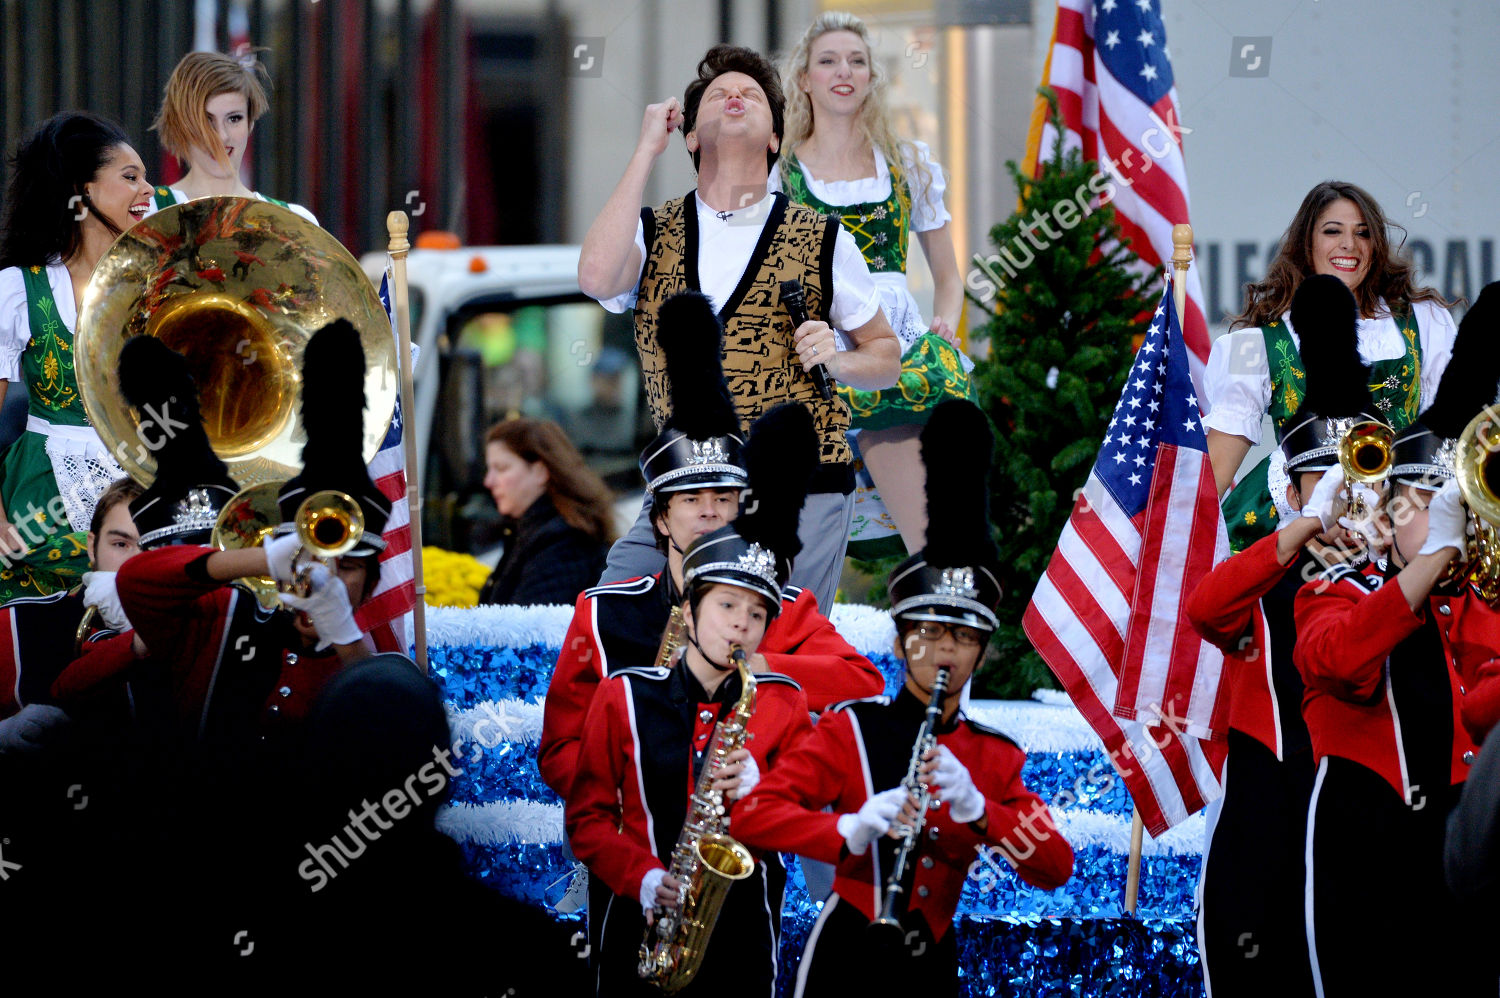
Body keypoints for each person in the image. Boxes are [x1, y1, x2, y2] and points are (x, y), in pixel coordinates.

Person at [732, 400, 1073, 995]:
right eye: (929, 634)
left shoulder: (991, 755)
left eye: (965, 637)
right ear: (899, 641)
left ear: (983, 651)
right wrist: (846, 830)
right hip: (845, 953)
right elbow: (756, 815)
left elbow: (1056, 867)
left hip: (931, 961)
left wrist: (981, 813)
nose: (946, 651)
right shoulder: (851, 730)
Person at [578, 43, 902, 614]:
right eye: (718, 94)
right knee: (617, 613)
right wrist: (645, 150)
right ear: (692, 137)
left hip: (800, 491)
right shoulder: (653, 231)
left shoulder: (823, 238)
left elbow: (887, 356)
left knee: (772, 651)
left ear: (775, 137)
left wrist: (841, 359)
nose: (734, 96)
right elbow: (597, 278)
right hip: (685, 489)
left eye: (750, 94)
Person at [540, 291, 884, 801]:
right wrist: (613, 795)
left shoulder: (781, 607)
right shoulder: (603, 612)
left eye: (723, 498)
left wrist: (759, 666)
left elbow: (862, 682)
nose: (708, 511)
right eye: (690, 499)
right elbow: (560, 744)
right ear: (660, 517)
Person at [565, 402, 820, 996]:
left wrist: (768, 788)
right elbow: (575, 772)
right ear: (659, 518)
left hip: (739, 911)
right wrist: (637, 855)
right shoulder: (610, 634)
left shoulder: (776, 680)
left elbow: (818, 795)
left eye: (756, 613)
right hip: (637, 881)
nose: (741, 624)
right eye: (690, 500)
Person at [1292, 284, 1500, 997]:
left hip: (1464, 850)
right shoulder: (1338, 586)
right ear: (1390, 504)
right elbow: (1337, 661)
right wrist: (1433, 562)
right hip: (1365, 855)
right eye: (1421, 504)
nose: (1443, 521)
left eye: (1457, 505)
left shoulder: (1483, 601)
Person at [1185, 276, 1381, 998]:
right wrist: (1299, 532)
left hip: (1357, 812)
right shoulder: (1264, 571)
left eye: (1350, 483)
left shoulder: (1395, 584)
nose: (1337, 499)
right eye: (1316, 483)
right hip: (1263, 804)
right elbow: (1207, 610)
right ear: (1288, 490)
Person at [774, 11, 977, 556]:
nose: (844, 71)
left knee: (928, 535)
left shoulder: (908, 164)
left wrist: (944, 328)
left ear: (871, 77)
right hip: (820, 347)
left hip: (898, 344)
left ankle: (936, 622)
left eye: (857, 60)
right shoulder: (782, 174)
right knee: (808, 541)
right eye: (828, 60)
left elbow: (949, 277)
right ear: (803, 79)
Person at [1205, 180, 1456, 552]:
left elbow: (1450, 433)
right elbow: (1215, 471)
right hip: (1300, 522)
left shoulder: (1425, 321)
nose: (1349, 246)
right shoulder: (1257, 343)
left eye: (1363, 234)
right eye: (1332, 231)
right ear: (1307, 244)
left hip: (1400, 516)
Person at [0, 112, 152, 601]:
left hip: (141, 485)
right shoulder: (18, 288)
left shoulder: (165, 288)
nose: (148, 191)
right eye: (130, 177)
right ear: (81, 191)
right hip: (40, 493)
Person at [148, 49, 317, 223]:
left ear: (250, 123)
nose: (221, 136)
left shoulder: (295, 222)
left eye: (234, 118)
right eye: (206, 120)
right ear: (181, 124)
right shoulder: (147, 211)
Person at [477, 417, 614, 606]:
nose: (488, 481)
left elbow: (527, 628)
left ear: (540, 472)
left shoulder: (563, 539)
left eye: (501, 468)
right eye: (489, 469)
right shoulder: (530, 530)